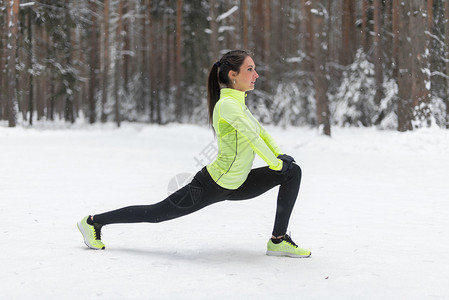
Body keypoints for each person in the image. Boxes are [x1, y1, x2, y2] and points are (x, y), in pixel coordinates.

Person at [77, 50, 311, 258]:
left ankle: (278, 240)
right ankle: (93, 222)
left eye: (255, 69)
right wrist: (275, 164)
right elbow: (252, 138)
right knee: (156, 213)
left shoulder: (239, 104)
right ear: (232, 74)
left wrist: (281, 158)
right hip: (212, 185)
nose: (256, 74)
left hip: (238, 183)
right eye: (250, 69)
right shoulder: (227, 105)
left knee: (293, 172)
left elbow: (262, 135)